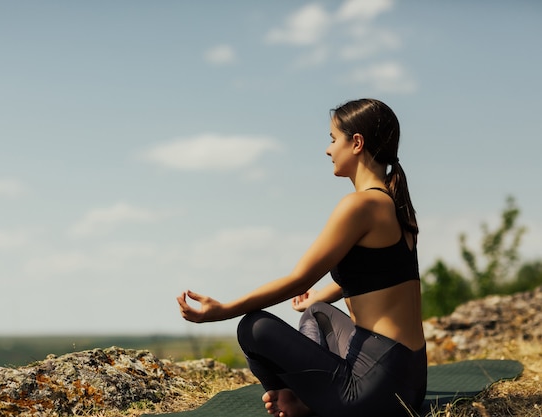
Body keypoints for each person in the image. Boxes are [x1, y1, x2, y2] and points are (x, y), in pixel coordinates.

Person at [177, 98, 427, 417]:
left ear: (357, 143)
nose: (328, 149)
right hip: (410, 382)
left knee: (253, 327)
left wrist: (222, 311)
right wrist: (321, 295)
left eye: (333, 139)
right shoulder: (396, 206)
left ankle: (299, 401)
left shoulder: (359, 206)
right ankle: (303, 400)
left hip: (372, 393)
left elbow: (299, 279)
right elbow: (385, 274)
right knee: (317, 313)